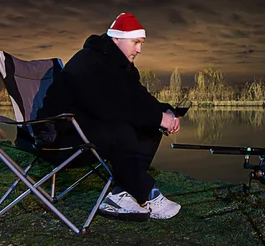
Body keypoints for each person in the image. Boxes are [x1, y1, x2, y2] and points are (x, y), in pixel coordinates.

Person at [36, 12, 181, 222]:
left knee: (150, 125)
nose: (139, 49)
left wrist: (166, 112)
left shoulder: (124, 67)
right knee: (122, 128)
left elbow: (140, 98)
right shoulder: (88, 61)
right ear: (116, 38)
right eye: (136, 42)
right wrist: (156, 117)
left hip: (90, 129)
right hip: (60, 135)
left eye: (141, 43)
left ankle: (121, 193)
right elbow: (108, 108)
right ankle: (146, 191)